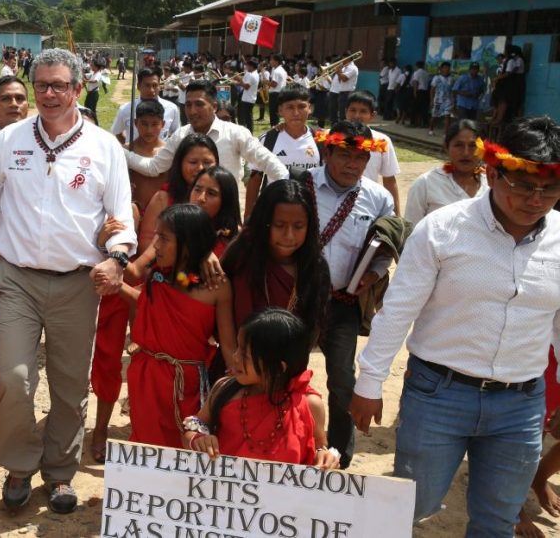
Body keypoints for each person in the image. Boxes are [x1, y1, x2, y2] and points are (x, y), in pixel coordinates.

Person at [350, 117, 560, 536]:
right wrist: (369, 383)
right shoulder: (443, 230)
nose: (536, 200)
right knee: (413, 503)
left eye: (550, 189)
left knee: (496, 520)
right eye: (522, 185)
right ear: (494, 172)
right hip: (438, 396)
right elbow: (398, 310)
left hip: (520, 405)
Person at [0, 48, 136, 514]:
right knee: (12, 378)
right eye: (42, 86)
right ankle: (19, 466)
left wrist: (116, 260)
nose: (50, 94)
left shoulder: (104, 147)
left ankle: (59, 473)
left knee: (69, 385)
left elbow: (122, 219)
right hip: (16, 279)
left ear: (79, 88)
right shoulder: (10, 140)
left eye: (60, 85)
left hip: (79, 283)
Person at [308, 120, 396, 469]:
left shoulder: (379, 198)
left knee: (343, 379)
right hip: (299, 301)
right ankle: (292, 441)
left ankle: (340, 454)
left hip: (344, 303)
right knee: (289, 370)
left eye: (360, 158)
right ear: (326, 152)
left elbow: (387, 247)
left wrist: (373, 274)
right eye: (344, 155)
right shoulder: (301, 186)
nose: (352, 165)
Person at [120, 204, 236, 448]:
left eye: (164, 238)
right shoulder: (159, 276)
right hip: (147, 380)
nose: (156, 246)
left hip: (187, 384)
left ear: (188, 242)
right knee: (148, 448)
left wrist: (237, 384)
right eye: (156, 236)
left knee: (187, 444)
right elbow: (145, 303)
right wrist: (114, 284)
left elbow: (227, 344)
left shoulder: (216, 286)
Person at [184, 309, 340, 470]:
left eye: (245, 355)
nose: (235, 357)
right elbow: (195, 424)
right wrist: (198, 438)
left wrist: (325, 456)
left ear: (279, 368)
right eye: (238, 348)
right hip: (224, 490)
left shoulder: (309, 404)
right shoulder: (225, 390)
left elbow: (319, 447)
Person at [220, 179, 330, 366]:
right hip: (234, 364)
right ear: (264, 222)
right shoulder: (241, 256)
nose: (289, 236)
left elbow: (312, 329)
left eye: (298, 226)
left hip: (286, 369)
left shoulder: (314, 268)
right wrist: (237, 365)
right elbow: (222, 319)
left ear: (309, 226)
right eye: (279, 225)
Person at [123, 79, 288, 199]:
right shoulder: (181, 136)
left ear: (214, 106)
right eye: (188, 105)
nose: (192, 111)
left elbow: (270, 164)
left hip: (226, 218)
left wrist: (281, 196)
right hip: (189, 215)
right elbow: (154, 167)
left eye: (199, 104)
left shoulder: (236, 133)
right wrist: (119, 151)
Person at [246, 83, 319, 215]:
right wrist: (248, 215)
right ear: (280, 110)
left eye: (302, 106)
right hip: (273, 209)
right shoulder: (267, 140)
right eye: (290, 107)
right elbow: (255, 177)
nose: (296, 113)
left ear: (310, 108)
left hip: (310, 210)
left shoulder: (320, 140)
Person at [138, 133, 217, 253]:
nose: (200, 168)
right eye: (193, 162)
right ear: (180, 163)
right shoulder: (163, 198)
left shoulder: (223, 194)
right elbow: (145, 245)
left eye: (207, 162)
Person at [405, 119, 487, 224]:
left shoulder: (492, 186)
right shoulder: (426, 184)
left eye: (473, 146)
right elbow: (410, 230)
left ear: (483, 149)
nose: (466, 153)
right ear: (446, 147)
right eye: (458, 145)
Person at [344, 91, 403, 216]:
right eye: (352, 110)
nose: (357, 115)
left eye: (363, 111)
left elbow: (389, 180)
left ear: (373, 115)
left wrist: (396, 217)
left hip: (367, 205)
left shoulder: (382, 141)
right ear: (346, 111)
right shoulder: (330, 137)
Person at [111, 66, 180, 144]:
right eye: (147, 85)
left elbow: (175, 135)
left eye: (154, 85)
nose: (151, 90)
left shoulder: (172, 109)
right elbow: (117, 133)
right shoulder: (126, 109)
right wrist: (131, 150)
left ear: (160, 86)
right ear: (138, 86)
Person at [126, 99, 169, 211]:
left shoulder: (168, 152)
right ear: (136, 123)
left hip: (161, 213)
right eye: (144, 124)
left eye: (155, 124)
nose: (149, 130)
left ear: (163, 124)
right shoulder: (126, 150)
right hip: (131, 211)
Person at [329, 52, 359, 122]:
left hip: (347, 93)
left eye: (343, 59)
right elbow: (341, 81)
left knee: (344, 115)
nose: (342, 61)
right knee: (341, 113)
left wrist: (339, 72)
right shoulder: (346, 68)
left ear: (348, 58)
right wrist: (338, 72)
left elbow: (344, 79)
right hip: (342, 92)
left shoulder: (353, 68)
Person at [429, 62, 454, 136]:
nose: (447, 69)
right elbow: (432, 89)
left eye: (448, 68)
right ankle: (431, 129)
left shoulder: (451, 79)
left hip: (448, 100)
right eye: (445, 68)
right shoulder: (437, 78)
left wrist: (453, 101)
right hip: (438, 101)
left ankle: (445, 133)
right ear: (441, 69)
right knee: (435, 116)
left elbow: (452, 90)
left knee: (447, 116)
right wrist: (431, 100)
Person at [235, 58, 259, 133]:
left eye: (247, 66)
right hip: (248, 98)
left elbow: (246, 87)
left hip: (248, 99)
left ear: (251, 66)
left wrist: (240, 79)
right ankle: (249, 131)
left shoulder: (253, 75)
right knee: (247, 117)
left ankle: (250, 132)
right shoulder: (253, 74)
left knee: (248, 118)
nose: (246, 67)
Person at [266, 54, 288, 127]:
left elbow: (274, 84)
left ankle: (274, 128)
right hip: (281, 92)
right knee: (277, 112)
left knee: (273, 112)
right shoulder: (283, 70)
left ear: (276, 61)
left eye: (271, 60)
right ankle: (276, 127)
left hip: (275, 94)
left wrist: (265, 82)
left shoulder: (276, 71)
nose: (270, 62)